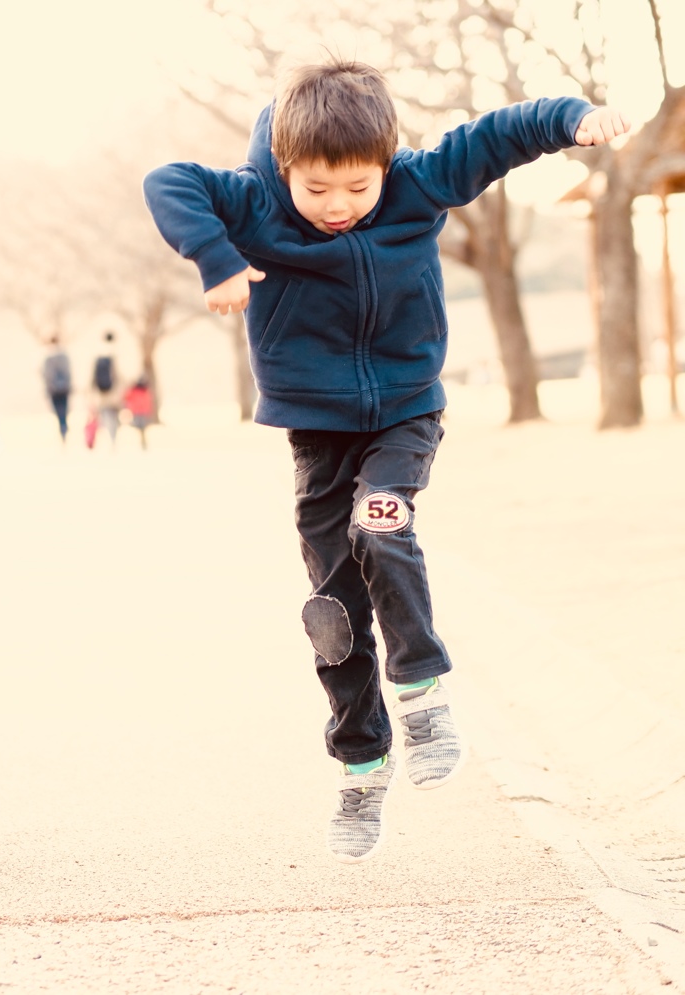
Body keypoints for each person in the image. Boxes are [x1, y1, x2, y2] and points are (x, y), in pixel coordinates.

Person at [143, 58, 629, 862]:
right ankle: (361, 763)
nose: (339, 208)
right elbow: (169, 180)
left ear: (386, 164)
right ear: (285, 166)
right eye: (318, 190)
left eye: (358, 188)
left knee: (382, 521)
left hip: (406, 411)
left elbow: (501, 135)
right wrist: (217, 257)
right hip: (318, 433)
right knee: (332, 611)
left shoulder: (415, 184)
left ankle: (423, 689)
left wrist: (571, 116)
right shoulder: (257, 199)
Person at [91, 332, 121, 446]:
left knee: (104, 413)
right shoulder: (116, 353)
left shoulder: (98, 354)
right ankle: (112, 437)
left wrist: (92, 390)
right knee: (113, 415)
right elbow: (119, 375)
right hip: (113, 391)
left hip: (101, 391)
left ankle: (106, 436)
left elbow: (93, 374)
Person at [42, 337, 73, 442]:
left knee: (58, 411)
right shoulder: (64, 356)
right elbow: (69, 373)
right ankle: (64, 426)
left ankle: (62, 427)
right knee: (64, 410)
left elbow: (46, 376)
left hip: (54, 390)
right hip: (64, 389)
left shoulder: (48, 358)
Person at [123, 376, 155, 450]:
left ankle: (141, 440)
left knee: (139, 427)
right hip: (143, 412)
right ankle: (142, 439)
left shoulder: (134, 389)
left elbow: (127, 397)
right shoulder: (145, 390)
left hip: (137, 411)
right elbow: (149, 401)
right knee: (141, 427)